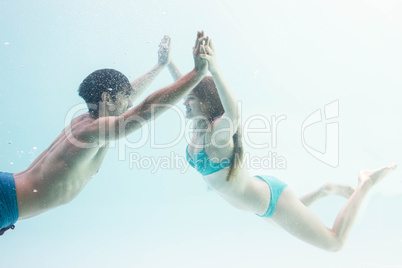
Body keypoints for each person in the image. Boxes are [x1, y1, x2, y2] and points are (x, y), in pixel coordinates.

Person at [182, 33, 397, 251]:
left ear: (204, 100)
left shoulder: (217, 132)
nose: (184, 102)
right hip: (261, 200)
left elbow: (234, 115)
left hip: (271, 200)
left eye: (190, 98)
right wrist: (168, 63)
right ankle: (324, 190)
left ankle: (366, 182)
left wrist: (214, 69)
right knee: (286, 220)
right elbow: (181, 86)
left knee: (335, 242)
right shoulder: (198, 127)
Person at [0, 31, 208, 236]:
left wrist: (160, 66)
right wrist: (196, 75)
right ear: (106, 98)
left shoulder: (84, 122)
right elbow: (144, 109)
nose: (130, 102)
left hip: (7, 195)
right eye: (125, 96)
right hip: (4, 201)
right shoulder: (90, 132)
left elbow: (129, 99)